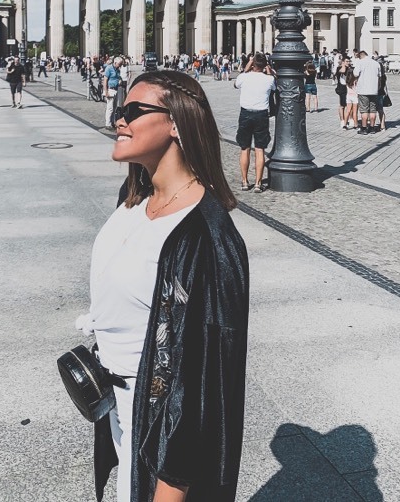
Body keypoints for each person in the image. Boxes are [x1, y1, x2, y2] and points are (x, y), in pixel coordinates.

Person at [78, 70, 249, 502]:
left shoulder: (207, 236)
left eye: (133, 111)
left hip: (158, 425)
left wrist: (170, 491)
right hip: (116, 407)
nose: (119, 118)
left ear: (176, 122)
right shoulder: (135, 196)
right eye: (120, 109)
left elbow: (204, 382)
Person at [233, 52, 276, 192]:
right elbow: (274, 85)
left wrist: (247, 66)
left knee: (244, 148)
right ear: (264, 65)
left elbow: (236, 84)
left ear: (253, 64)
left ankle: (245, 182)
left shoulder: (244, 77)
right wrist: (268, 70)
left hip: (245, 114)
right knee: (260, 150)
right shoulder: (269, 80)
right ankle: (258, 183)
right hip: (261, 115)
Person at [353, 51, 381, 135]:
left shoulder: (360, 62)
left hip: (363, 90)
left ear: (361, 56)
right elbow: (380, 76)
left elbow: (355, 74)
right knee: (373, 110)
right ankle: (372, 128)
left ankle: (364, 128)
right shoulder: (376, 63)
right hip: (374, 89)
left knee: (364, 110)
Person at [103, 57, 121, 129]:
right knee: (110, 108)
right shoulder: (109, 68)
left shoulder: (117, 69)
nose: (120, 66)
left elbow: (118, 77)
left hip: (116, 89)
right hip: (110, 89)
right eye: (119, 64)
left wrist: (120, 80)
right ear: (115, 63)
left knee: (114, 107)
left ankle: (112, 122)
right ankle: (107, 124)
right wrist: (106, 91)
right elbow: (105, 80)